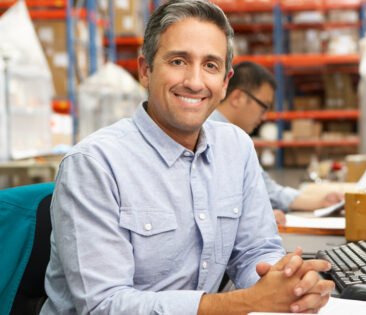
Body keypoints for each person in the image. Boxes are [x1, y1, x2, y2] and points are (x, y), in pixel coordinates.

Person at [40, 1, 334, 314]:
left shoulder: (237, 148)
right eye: (178, 61)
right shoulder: (94, 164)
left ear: (224, 82)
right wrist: (248, 301)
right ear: (145, 70)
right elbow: (104, 305)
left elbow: (254, 252)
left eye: (210, 65)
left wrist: (288, 284)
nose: (194, 81)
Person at [209, 61, 343, 225]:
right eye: (263, 106)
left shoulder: (235, 139)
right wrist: (254, 217)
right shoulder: (213, 134)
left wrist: (321, 202)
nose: (264, 116)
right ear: (237, 98)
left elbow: (266, 189)